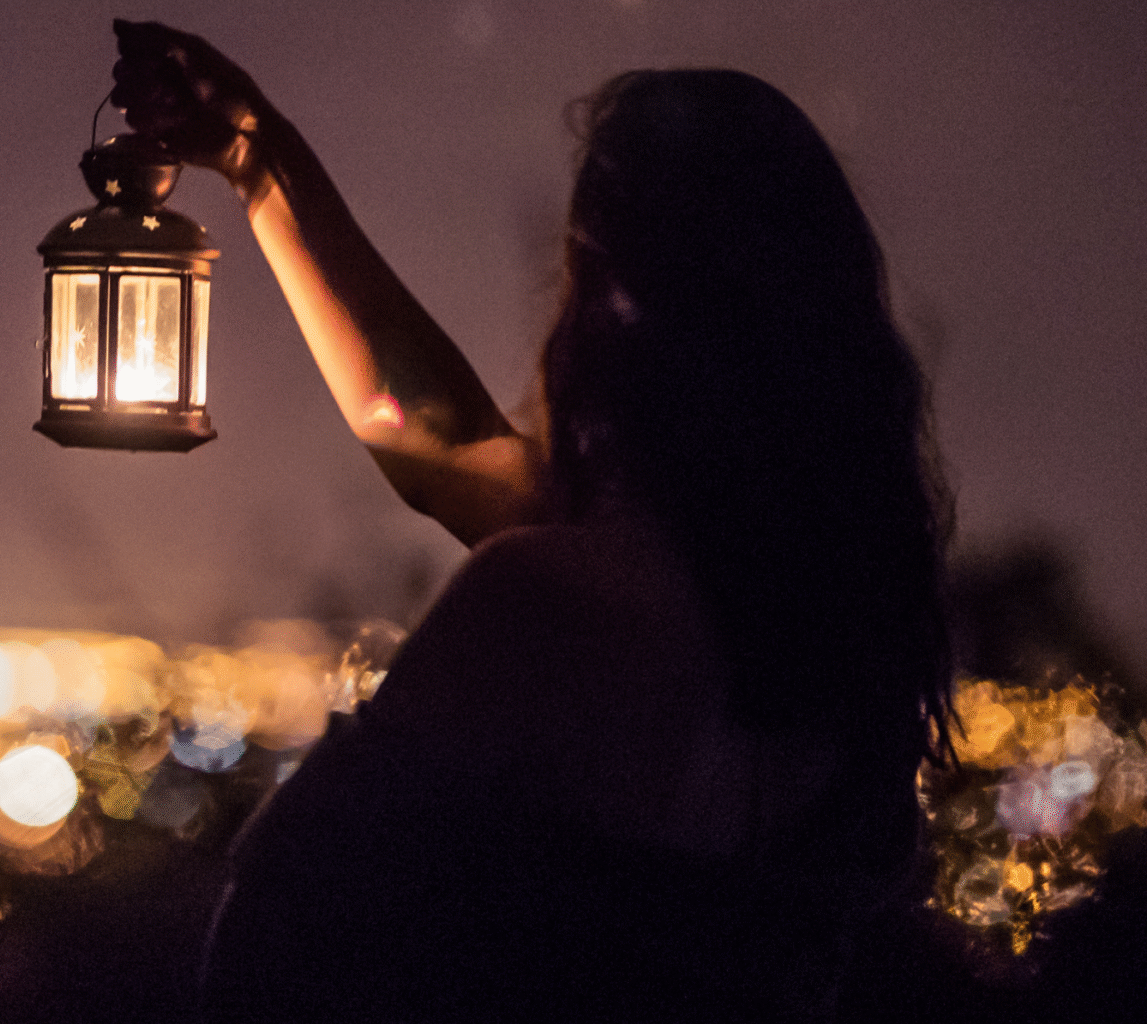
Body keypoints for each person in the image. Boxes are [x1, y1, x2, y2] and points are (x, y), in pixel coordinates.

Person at [110, 20, 952, 1023]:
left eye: (583, 261)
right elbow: (444, 444)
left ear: (616, 296)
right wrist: (262, 168)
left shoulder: (557, 597)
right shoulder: (834, 621)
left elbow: (290, 914)